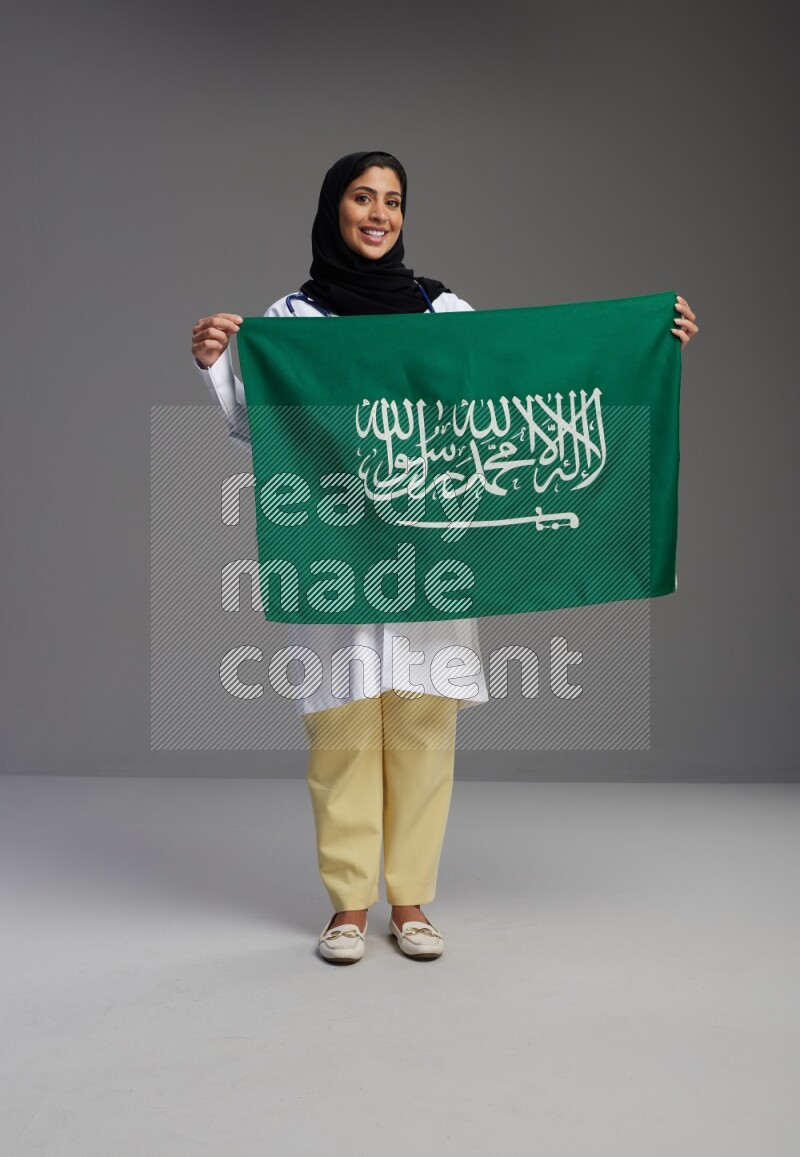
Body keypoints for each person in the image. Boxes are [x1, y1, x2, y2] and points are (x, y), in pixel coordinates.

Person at [192, 150, 699, 965]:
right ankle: (348, 907)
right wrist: (222, 356)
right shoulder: (294, 323)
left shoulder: (443, 310)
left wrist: (647, 337)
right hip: (340, 551)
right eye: (363, 197)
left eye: (393, 200)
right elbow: (266, 428)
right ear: (334, 209)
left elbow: (519, 382)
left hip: (434, 554)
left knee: (424, 725)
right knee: (344, 728)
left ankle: (412, 900)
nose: (379, 213)